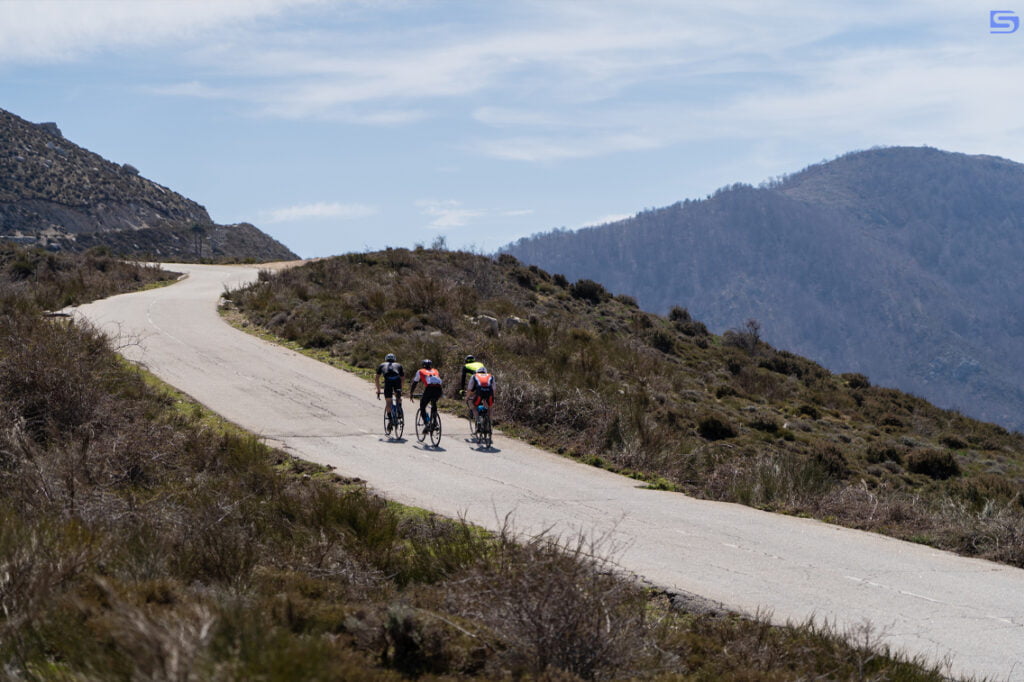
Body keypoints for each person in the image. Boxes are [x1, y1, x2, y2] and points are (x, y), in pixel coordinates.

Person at [410, 358, 444, 431]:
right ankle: (435, 423)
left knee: (422, 406)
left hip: (429, 389)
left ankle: (427, 423)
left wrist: (411, 393)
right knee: (434, 403)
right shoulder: (435, 370)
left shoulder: (420, 371)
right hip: (439, 389)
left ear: (423, 365)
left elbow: (415, 383)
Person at [375, 353, 404, 429]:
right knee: (398, 397)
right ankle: (399, 410)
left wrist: (378, 390)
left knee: (388, 401)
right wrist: (401, 389)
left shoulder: (382, 365)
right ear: (394, 359)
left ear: (386, 359)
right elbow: (402, 378)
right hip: (397, 381)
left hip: (388, 382)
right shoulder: (398, 365)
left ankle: (390, 419)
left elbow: (377, 378)